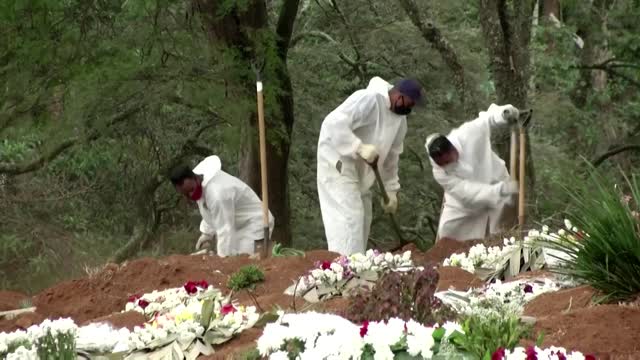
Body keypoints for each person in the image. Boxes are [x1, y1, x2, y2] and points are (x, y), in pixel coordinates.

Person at [317, 77, 424, 255]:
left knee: (365, 216)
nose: (410, 108)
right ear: (399, 95)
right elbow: (332, 123)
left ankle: (356, 263)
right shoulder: (368, 99)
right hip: (336, 159)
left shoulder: (400, 122)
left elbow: (392, 156)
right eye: (410, 103)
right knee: (349, 216)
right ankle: (343, 266)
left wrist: (391, 190)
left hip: (360, 168)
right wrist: (358, 147)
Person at [425, 104, 520, 241]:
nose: (448, 165)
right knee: (447, 230)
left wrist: (504, 113)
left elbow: (487, 119)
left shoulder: (467, 134)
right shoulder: (439, 172)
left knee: (499, 231)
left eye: (449, 160)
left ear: (452, 148)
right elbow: (465, 191)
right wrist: (496, 191)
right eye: (443, 164)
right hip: (463, 203)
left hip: (496, 180)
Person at [169, 155, 274, 257]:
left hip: (256, 222)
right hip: (238, 225)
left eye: (191, 190)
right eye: (186, 194)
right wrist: (207, 234)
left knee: (243, 260)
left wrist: (222, 259)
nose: (190, 195)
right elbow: (210, 210)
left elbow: (225, 229)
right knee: (233, 255)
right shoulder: (200, 186)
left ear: (196, 178)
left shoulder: (217, 193)